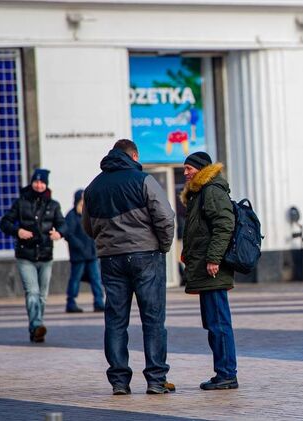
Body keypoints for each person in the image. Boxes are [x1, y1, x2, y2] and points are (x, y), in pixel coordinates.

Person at [82, 139, 176, 396]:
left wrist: (108, 241)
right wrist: (163, 246)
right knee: (153, 319)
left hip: (111, 259)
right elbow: (165, 217)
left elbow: (87, 226)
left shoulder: (93, 187)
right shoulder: (143, 180)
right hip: (146, 255)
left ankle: (119, 382)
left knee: (115, 321)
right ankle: (156, 380)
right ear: (134, 156)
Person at [180, 151, 239, 391]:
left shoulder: (211, 191)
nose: (185, 173)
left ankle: (227, 374)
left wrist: (214, 258)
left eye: (189, 168)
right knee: (213, 323)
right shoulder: (200, 192)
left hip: (212, 269)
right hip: (205, 267)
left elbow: (224, 225)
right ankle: (223, 372)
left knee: (219, 324)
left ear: (202, 169)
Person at [0, 168, 65, 342]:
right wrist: (17, 231)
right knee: (32, 292)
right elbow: (5, 222)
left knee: (42, 296)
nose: (39, 185)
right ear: (31, 183)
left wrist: (59, 233)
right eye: (36, 181)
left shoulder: (53, 205)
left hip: (45, 256)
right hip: (25, 256)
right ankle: (36, 325)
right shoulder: (21, 203)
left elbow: (63, 224)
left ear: (46, 184)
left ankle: (36, 328)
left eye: (42, 182)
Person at [63, 189, 105, 313]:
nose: (83, 203)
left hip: (92, 255)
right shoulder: (71, 216)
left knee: (96, 279)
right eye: (81, 201)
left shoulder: (91, 214)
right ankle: (71, 303)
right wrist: (80, 247)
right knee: (75, 280)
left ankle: (99, 302)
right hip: (79, 256)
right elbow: (68, 234)